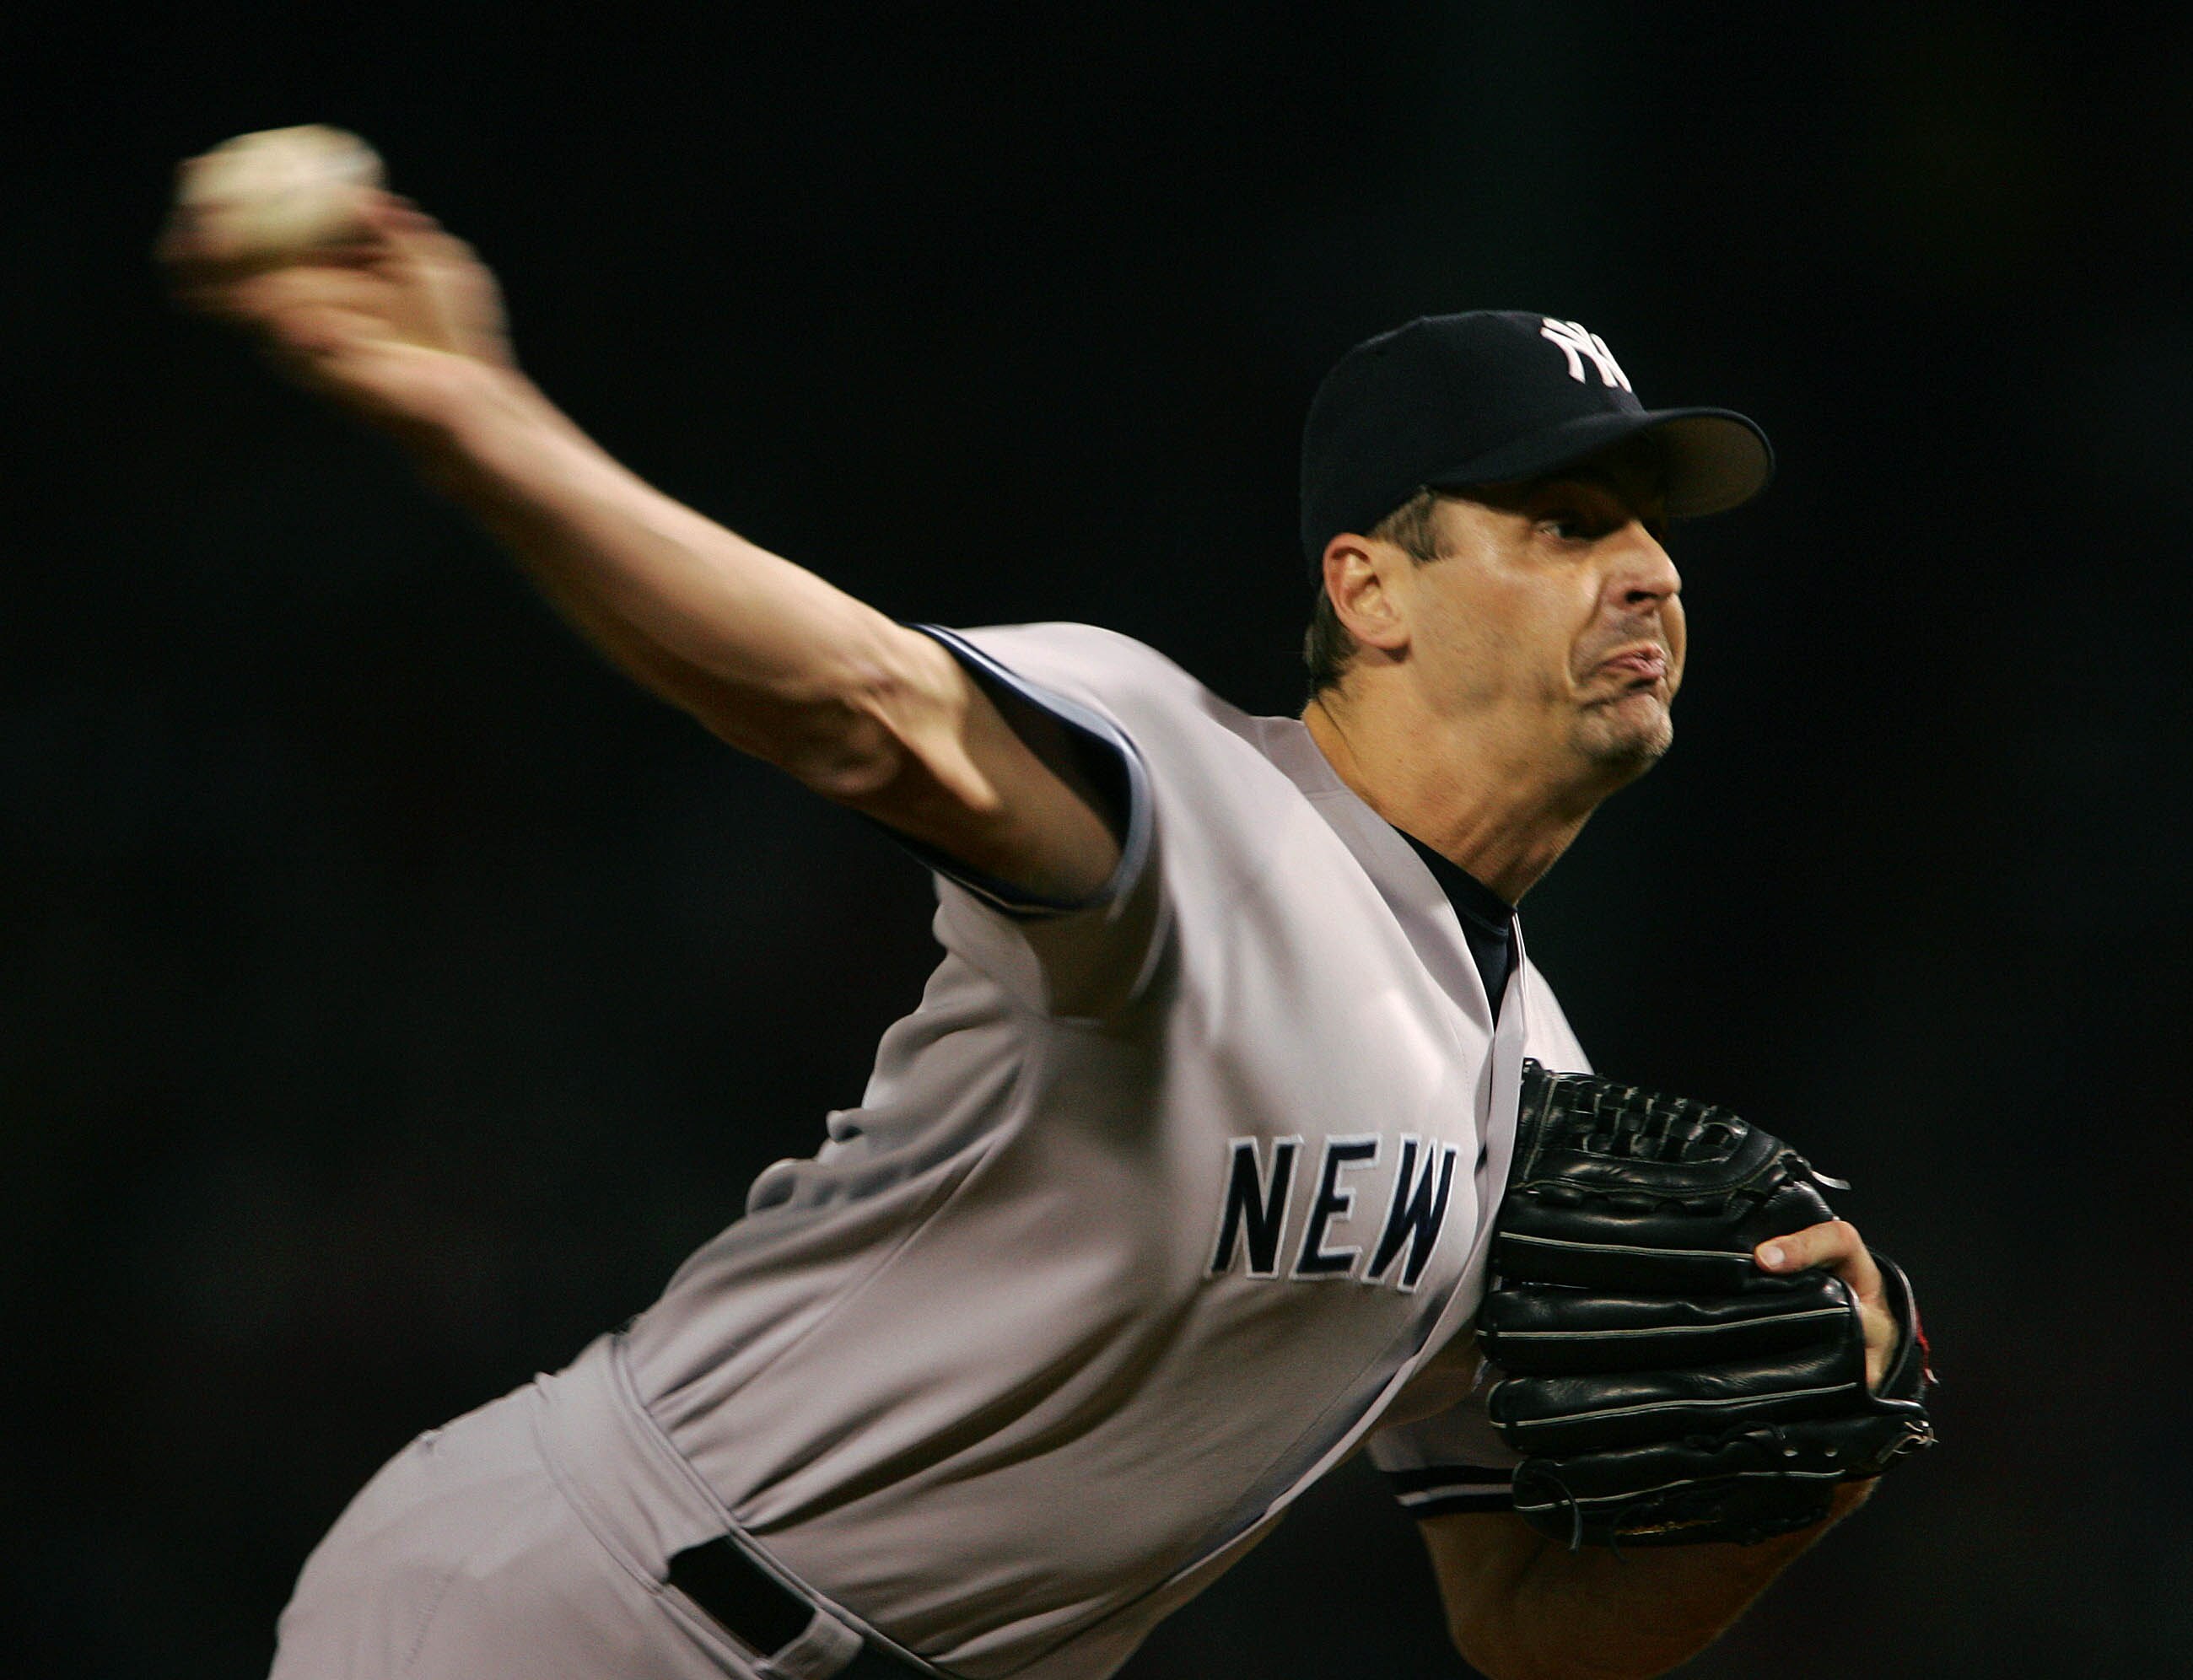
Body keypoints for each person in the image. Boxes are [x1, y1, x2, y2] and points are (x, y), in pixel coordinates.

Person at [163, 186, 1909, 1680]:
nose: (1651, 573)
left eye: (1654, 534)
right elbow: (863, 709)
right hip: (588, 1611)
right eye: (1565, 522)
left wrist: (1800, 1492)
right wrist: (483, 418)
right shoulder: (1188, 798)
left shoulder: (1536, 1089)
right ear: (1369, 588)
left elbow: (1522, 1626)